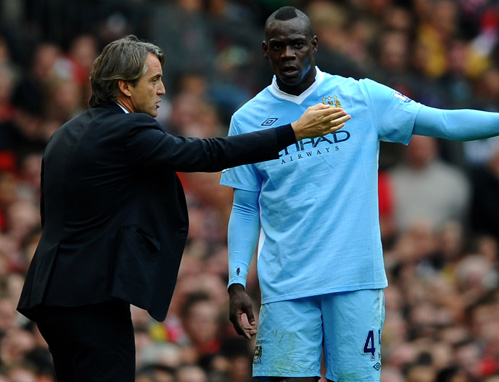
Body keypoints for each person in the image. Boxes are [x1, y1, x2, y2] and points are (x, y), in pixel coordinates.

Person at [219, 6, 499, 382]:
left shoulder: (360, 97)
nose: (288, 54)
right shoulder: (247, 119)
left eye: (296, 44)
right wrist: (237, 281)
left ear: (314, 44)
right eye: (278, 46)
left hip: (354, 279)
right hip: (286, 283)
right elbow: (245, 208)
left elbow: (440, 120)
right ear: (264, 50)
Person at [15, 35, 350, 382]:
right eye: (154, 79)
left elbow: (52, 213)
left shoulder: (64, 134)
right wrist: (292, 132)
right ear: (125, 87)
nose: (162, 90)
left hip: (50, 292)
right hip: (92, 295)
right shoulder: (129, 128)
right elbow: (205, 153)